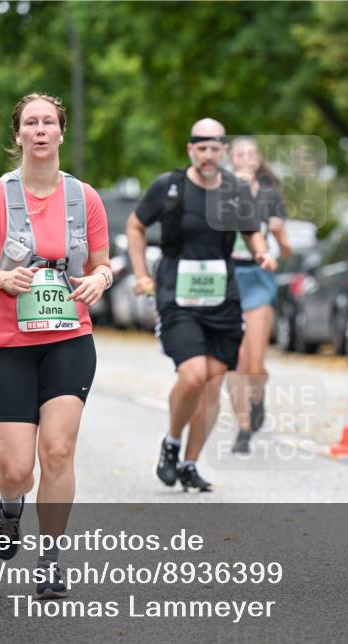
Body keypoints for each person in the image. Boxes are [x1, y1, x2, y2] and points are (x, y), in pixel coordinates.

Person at [0, 92, 110, 598]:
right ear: (19, 135)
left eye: (49, 122)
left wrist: (101, 280)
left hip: (69, 339)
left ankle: (50, 558)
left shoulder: (85, 198)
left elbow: (102, 264)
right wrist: (2, 279)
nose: (40, 130)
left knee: (59, 451)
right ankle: (10, 505)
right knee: (16, 469)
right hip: (9, 343)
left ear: (61, 132)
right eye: (31, 123)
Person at [126, 119, 276, 492]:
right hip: (177, 295)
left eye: (214, 148)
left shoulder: (234, 190)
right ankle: (172, 442)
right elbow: (135, 226)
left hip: (221, 298)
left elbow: (251, 231)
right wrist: (141, 274)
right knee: (193, 375)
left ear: (223, 150)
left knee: (212, 383)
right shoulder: (170, 186)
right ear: (191, 149)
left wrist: (261, 253)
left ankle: (190, 464)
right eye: (201, 148)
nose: (208, 155)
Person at [226, 137, 292, 454]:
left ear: (258, 160)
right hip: (228, 278)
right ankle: (242, 428)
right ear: (231, 159)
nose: (246, 158)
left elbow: (287, 251)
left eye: (251, 153)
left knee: (254, 363)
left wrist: (279, 236)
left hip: (258, 278)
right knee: (235, 360)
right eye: (240, 153)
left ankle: (258, 395)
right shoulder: (220, 194)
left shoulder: (269, 196)